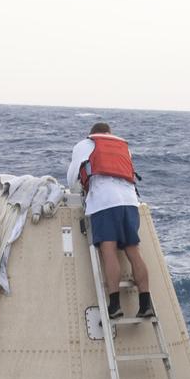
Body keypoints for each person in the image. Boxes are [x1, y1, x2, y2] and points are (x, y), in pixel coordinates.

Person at [67, 122, 153, 320]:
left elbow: (72, 177)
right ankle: (145, 303)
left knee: (108, 250)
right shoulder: (123, 146)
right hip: (130, 201)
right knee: (133, 250)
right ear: (109, 133)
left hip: (104, 201)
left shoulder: (85, 145)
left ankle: (115, 305)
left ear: (92, 134)